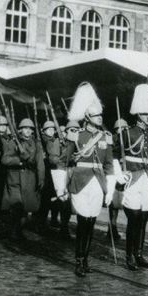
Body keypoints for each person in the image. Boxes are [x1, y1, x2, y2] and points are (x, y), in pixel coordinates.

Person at [53, 82, 115, 277]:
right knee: (82, 222)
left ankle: (86, 259)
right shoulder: (76, 136)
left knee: (90, 223)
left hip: (98, 183)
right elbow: (62, 162)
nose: (100, 118)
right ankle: (79, 260)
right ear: (88, 117)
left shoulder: (105, 137)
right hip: (80, 183)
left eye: (100, 115)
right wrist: (59, 187)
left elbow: (109, 164)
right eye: (97, 116)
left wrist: (111, 188)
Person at [113, 84, 148, 271]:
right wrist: (119, 174)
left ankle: (139, 254)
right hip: (133, 179)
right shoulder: (127, 133)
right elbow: (113, 156)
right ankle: (129, 255)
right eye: (144, 114)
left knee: (143, 218)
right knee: (133, 217)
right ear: (137, 114)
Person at [1, 118, 45, 241]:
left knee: (26, 208)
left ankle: (19, 230)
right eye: (25, 128)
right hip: (14, 179)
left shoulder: (36, 144)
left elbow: (40, 163)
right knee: (16, 206)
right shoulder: (13, 143)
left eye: (30, 129)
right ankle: (13, 232)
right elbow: (4, 160)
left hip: (30, 180)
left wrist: (41, 179)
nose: (28, 131)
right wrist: (19, 161)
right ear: (20, 130)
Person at [108, 118, 129, 241]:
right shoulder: (114, 140)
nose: (122, 131)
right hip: (116, 173)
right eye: (119, 129)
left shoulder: (128, 140)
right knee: (114, 204)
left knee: (128, 203)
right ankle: (112, 228)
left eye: (124, 128)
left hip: (127, 174)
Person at [39, 121, 61, 231]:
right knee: (45, 198)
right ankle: (41, 221)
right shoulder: (42, 140)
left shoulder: (56, 140)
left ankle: (54, 219)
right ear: (44, 131)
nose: (51, 131)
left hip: (55, 171)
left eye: (53, 129)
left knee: (56, 196)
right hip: (46, 172)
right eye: (49, 129)